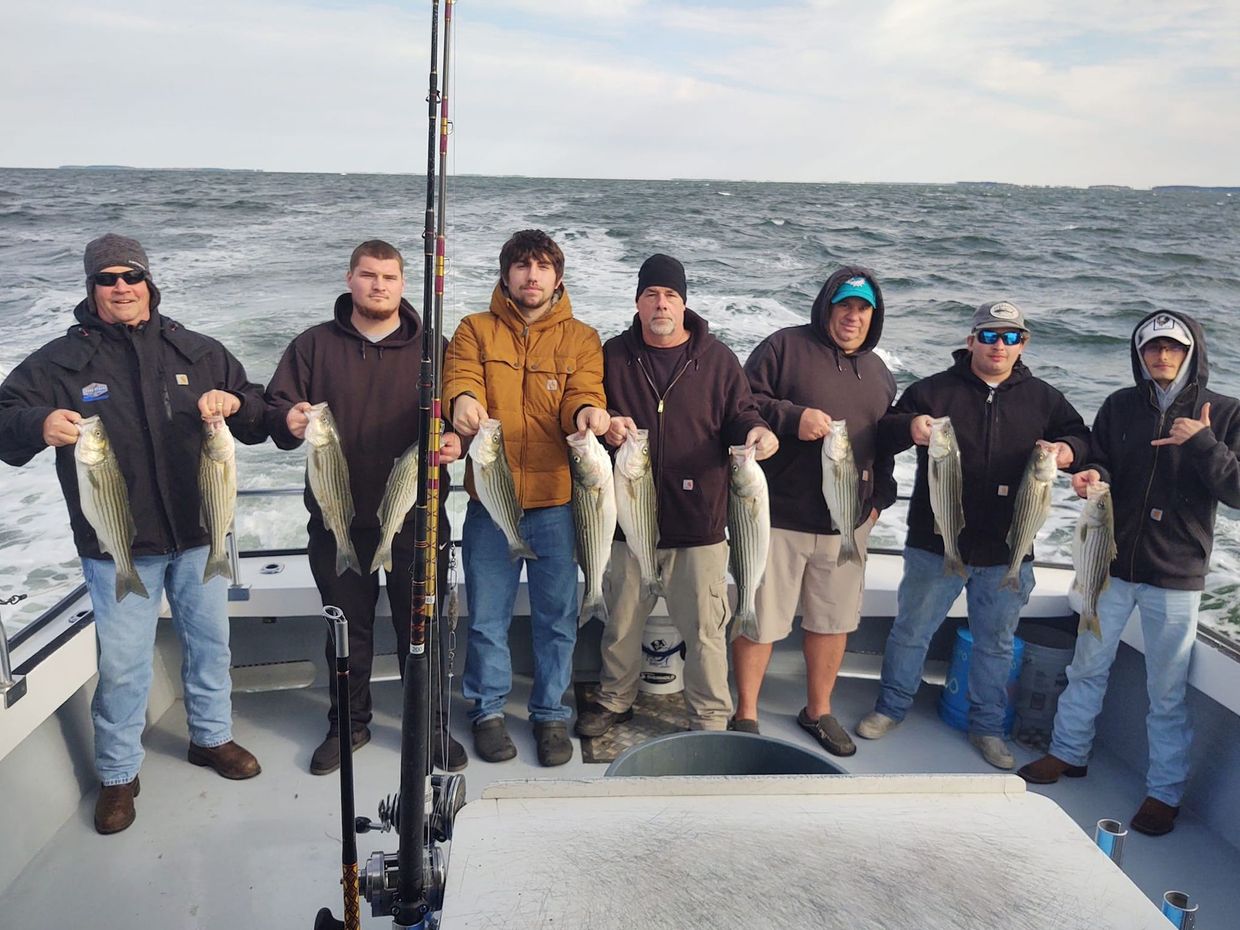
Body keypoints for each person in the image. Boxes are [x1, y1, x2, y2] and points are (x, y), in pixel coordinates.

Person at [0, 234, 265, 834]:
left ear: (149, 281)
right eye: (107, 278)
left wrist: (237, 403)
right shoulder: (58, 363)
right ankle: (118, 774)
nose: (120, 287)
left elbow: (255, 411)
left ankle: (211, 738)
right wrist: (36, 421)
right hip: (118, 545)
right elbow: (2, 417)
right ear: (91, 288)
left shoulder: (195, 350)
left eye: (131, 275)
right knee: (122, 666)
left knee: (212, 647)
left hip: (201, 535)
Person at [1018, 311, 1240, 835]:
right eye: (1151, 348)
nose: (1161, 356)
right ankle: (1068, 753)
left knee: (1166, 690)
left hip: (1176, 574)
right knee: (1086, 666)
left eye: (1173, 348)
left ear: (1191, 353)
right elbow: (1106, 463)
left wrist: (1202, 443)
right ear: (1139, 354)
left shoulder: (1224, 413)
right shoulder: (1120, 404)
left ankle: (1163, 793)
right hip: (1109, 565)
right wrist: (1093, 473)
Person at [856, 301, 1089, 769]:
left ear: (1022, 344)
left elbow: (1083, 441)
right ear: (970, 341)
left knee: (997, 643)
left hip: (1007, 550)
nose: (998, 345)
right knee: (911, 631)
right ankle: (891, 707)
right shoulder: (934, 390)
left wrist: (1068, 450)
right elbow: (885, 432)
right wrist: (910, 427)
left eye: (1008, 336)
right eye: (988, 335)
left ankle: (987, 727)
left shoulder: (1045, 399)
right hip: (934, 541)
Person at [266, 239, 466, 776]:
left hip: (418, 519)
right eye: (368, 275)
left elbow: (461, 415)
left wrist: (456, 441)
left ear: (404, 285)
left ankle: (430, 726)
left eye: (390, 277)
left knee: (420, 626)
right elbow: (276, 409)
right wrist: (287, 420)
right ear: (349, 279)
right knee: (346, 628)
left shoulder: (436, 348)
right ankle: (348, 724)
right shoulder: (312, 347)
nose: (379, 285)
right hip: (338, 521)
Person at [575, 253, 778, 737]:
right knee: (621, 625)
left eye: (670, 295)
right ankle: (613, 699)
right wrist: (606, 427)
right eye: (651, 294)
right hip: (628, 520)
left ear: (684, 304)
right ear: (637, 302)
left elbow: (742, 413)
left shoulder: (718, 359)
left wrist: (759, 432)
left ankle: (709, 715)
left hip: (700, 526)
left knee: (706, 632)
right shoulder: (613, 355)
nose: (660, 304)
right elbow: (592, 411)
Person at [444, 229, 609, 766]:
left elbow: (584, 394)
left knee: (556, 619)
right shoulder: (474, 329)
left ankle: (549, 716)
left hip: (558, 504)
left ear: (557, 277)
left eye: (541, 267)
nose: (531, 276)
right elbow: (460, 379)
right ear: (505, 275)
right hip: (491, 506)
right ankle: (488, 711)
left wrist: (588, 416)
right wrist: (464, 402)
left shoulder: (582, 338)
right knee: (488, 617)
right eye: (521, 266)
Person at [736, 268, 896, 755]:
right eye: (843, 306)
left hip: (846, 523)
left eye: (862, 309)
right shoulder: (784, 348)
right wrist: (791, 418)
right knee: (759, 618)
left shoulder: (880, 373)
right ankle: (744, 713)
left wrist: (879, 502)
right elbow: (742, 403)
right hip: (779, 517)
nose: (852, 317)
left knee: (834, 621)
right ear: (827, 306)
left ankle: (818, 710)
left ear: (874, 316)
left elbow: (882, 444)